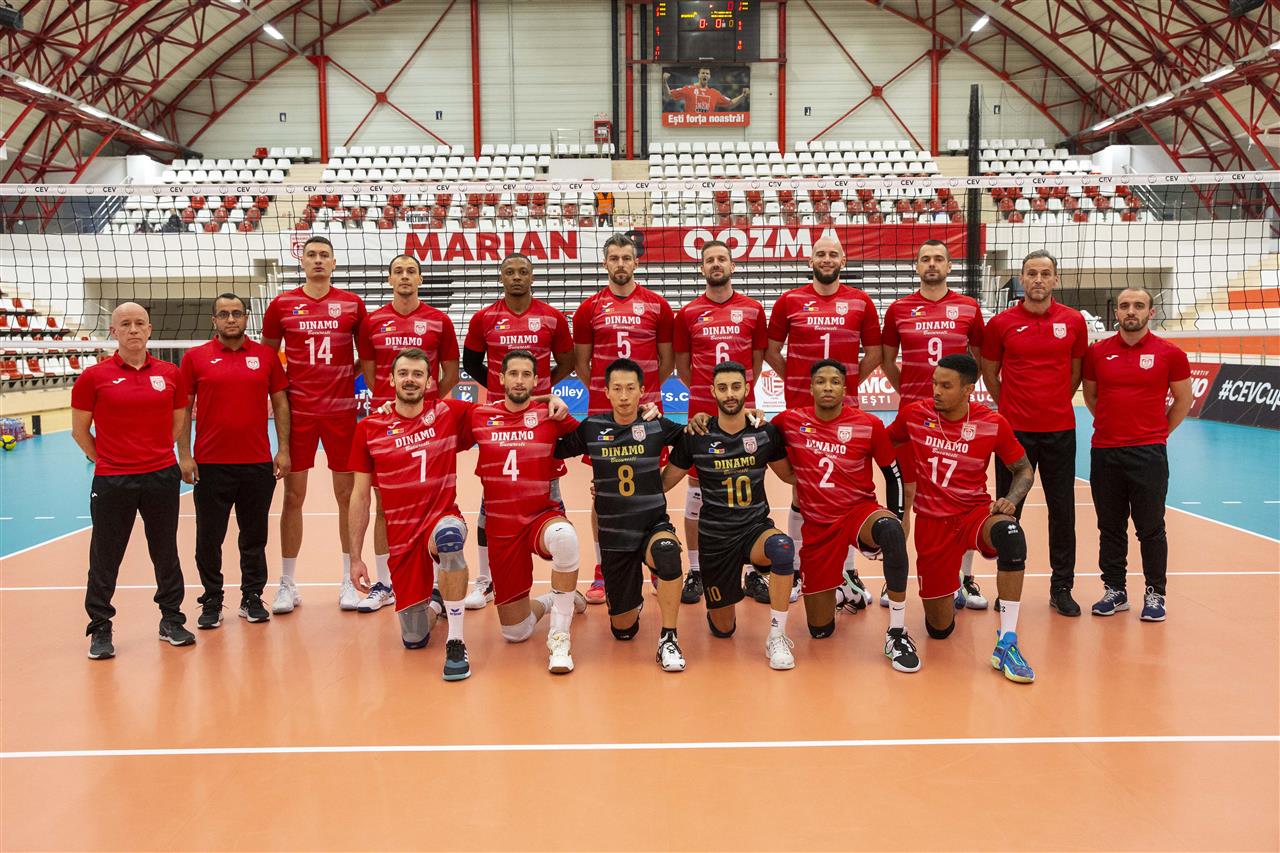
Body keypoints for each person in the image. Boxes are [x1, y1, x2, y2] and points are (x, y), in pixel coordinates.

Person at [888, 354, 1037, 683]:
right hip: (931, 524)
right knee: (939, 630)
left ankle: (1007, 642)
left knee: (1011, 534)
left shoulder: (991, 422)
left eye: (946, 386)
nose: (936, 391)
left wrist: (1011, 500)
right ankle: (952, 586)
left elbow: (1024, 469)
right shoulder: (914, 414)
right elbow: (882, 443)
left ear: (969, 389)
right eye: (934, 383)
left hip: (974, 514)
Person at [771, 360, 918, 673]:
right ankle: (846, 590)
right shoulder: (790, 420)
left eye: (835, 382)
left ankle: (897, 633)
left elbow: (892, 474)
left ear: (844, 388)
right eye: (821, 381)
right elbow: (760, 436)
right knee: (820, 631)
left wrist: (897, 517)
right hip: (818, 526)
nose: (828, 387)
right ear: (811, 388)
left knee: (890, 531)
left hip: (858, 513)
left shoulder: (868, 424)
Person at [765, 235, 882, 609]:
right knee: (803, 488)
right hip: (800, 411)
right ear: (809, 260)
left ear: (843, 260)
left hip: (846, 413)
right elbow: (770, 349)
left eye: (833, 254)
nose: (827, 259)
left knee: (845, 492)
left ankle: (847, 572)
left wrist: (849, 383)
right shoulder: (789, 301)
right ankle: (800, 570)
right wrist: (797, 381)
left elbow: (875, 352)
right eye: (820, 254)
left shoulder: (860, 301)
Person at [72, 302, 193, 659]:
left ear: (150, 329)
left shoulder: (170, 373)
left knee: (165, 551)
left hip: (161, 475)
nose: (133, 329)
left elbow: (179, 421)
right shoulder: (93, 376)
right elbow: (80, 431)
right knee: (105, 554)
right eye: (125, 324)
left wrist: (157, 451)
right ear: (113, 331)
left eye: (140, 323)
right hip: (113, 479)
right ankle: (100, 627)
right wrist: (106, 459)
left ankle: (171, 619)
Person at [346, 348, 473, 681]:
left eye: (418, 374)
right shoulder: (370, 428)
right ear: (391, 380)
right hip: (403, 538)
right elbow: (360, 496)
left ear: (430, 381)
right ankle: (437, 602)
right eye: (403, 373)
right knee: (414, 638)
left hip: (442, 519)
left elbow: (504, 412)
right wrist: (355, 558)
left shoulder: (446, 412)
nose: (410, 380)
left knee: (449, 538)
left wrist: (546, 400)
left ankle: (456, 641)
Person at [663, 362, 799, 670]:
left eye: (736, 387)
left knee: (783, 548)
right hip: (715, 538)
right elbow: (664, 483)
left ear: (747, 389)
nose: (729, 394)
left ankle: (777, 636)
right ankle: (727, 600)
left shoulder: (764, 432)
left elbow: (790, 475)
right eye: (722, 388)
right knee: (723, 629)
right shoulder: (697, 435)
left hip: (754, 529)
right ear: (712, 391)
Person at [556, 357, 687, 671]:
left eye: (631, 388)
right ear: (606, 392)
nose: (625, 396)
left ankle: (669, 638)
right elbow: (555, 447)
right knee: (623, 631)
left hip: (652, 525)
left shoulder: (655, 424)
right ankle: (631, 602)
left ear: (642, 391)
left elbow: (693, 441)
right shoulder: (593, 427)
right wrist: (548, 403)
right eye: (617, 389)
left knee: (668, 553)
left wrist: (663, 481)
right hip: (615, 537)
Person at [261, 235, 369, 614]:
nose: (318, 260)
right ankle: (288, 583)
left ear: (334, 263)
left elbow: (367, 354)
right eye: (312, 255)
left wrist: (344, 375)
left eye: (324, 255)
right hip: (299, 412)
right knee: (293, 496)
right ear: (302, 261)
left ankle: (347, 580)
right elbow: (267, 356)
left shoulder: (352, 304)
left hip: (341, 411)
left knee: (346, 496)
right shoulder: (282, 304)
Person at [462, 253, 575, 610]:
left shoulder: (552, 317)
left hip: (540, 420)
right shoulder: (484, 318)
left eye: (522, 272)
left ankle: (564, 585)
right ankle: (485, 581)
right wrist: (500, 391)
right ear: (502, 277)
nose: (516, 277)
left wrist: (540, 391)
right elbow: (470, 363)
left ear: (531, 277)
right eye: (509, 272)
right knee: (491, 502)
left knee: (552, 497)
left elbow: (568, 361)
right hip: (499, 422)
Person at [981, 250, 1089, 617]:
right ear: (1022, 279)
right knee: (1008, 510)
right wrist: (1011, 406)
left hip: (1060, 430)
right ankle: (1007, 589)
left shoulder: (1073, 320)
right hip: (1014, 433)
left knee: (1063, 512)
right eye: (1031, 273)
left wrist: (1054, 401)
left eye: (1045, 273)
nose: (1038, 279)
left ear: (1055, 279)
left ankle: (1062, 588)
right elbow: (990, 372)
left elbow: (1076, 370)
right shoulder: (1001, 323)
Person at [881, 239, 986, 608]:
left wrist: (957, 398)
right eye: (925, 259)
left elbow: (977, 360)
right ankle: (894, 579)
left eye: (938, 258)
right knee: (905, 500)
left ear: (949, 265)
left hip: (956, 421)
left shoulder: (969, 307)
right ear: (916, 266)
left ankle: (964, 579)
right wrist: (913, 395)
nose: (931, 264)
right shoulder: (899, 309)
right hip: (913, 421)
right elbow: (887, 361)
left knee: (962, 500)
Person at [468, 350, 587, 673]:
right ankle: (553, 599)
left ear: (536, 380)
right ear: (501, 379)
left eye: (526, 375)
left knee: (565, 538)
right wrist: (387, 407)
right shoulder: (479, 415)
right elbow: (428, 413)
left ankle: (559, 638)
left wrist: (556, 405)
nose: (519, 380)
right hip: (502, 530)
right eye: (513, 374)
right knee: (516, 632)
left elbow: (594, 437)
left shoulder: (549, 414)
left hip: (539, 517)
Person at [573, 233, 675, 605]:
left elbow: (667, 362)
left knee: (650, 487)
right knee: (602, 492)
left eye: (626, 257)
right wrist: (608, 398)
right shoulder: (588, 308)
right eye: (613, 257)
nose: (620, 263)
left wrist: (642, 396)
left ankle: (654, 560)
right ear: (605, 263)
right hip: (604, 415)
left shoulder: (657, 305)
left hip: (646, 412)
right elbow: (582, 364)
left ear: (636, 262)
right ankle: (603, 569)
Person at [178, 293, 291, 629]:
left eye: (237, 313)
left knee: (254, 537)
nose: (231, 319)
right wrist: (184, 455)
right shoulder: (195, 358)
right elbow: (183, 408)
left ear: (245, 317)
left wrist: (283, 449)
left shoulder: (266, 356)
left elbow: (281, 404)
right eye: (224, 314)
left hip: (256, 464)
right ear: (214, 320)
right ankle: (212, 598)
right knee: (208, 538)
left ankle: (252, 596)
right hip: (210, 464)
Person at [356, 253, 460, 613]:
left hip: (427, 422)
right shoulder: (372, 322)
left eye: (411, 271)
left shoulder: (438, 321)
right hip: (386, 421)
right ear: (389, 279)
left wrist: (427, 404)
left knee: (433, 503)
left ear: (420, 279)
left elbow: (450, 372)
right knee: (385, 505)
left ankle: (435, 585)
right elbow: (372, 374)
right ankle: (385, 583)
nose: (404, 276)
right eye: (398, 271)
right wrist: (393, 403)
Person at [1082, 288, 1192, 622]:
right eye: (1125, 306)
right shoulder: (1097, 352)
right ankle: (1115, 591)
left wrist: (1157, 434)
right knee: (1110, 527)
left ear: (1151, 312)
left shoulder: (1170, 354)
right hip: (1106, 452)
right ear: (1116, 312)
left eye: (1139, 305)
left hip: (1149, 454)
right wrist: (1113, 426)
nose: (1131, 311)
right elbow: (1091, 397)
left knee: (1151, 528)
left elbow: (1183, 400)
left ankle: (1155, 593)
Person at [673, 240, 768, 605]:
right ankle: (697, 571)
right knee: (698, 490)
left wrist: (740, 397)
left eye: (722, 259)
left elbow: (756, 361)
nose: (716, 264)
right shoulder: (688, 313)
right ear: (702, 268)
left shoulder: (753, 309)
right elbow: (683, 367)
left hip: (741, 411)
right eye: (710, 260)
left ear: (732, 265)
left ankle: (752, 571)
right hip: (702, 414)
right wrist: (704, 395)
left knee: (749, 487)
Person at [663, 67, 750, 113]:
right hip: (690, 126)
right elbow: (668, 95)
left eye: (707, 73)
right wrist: (664, 82)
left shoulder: (714, 93)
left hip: (708, 128)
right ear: (698, 75)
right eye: (703, 73)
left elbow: (730, 104)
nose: (705, 75)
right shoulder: (688, 89)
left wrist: (743, 96)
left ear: (709, 77)